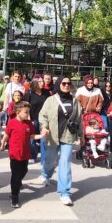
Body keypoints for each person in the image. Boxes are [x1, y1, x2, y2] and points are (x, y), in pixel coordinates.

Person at [38, 77, 82, 206]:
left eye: (69, 83)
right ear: (59, 84)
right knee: (50, 160)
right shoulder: (50, 100)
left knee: (65, 163)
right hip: (52, 135)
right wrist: (44, 126)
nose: (67, 85)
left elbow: (79, 119)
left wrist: (82, 135)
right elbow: (43, 115)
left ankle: (64, 193)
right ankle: (46, 174)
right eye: (64, 83)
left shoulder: (75, 101)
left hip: (68, 136)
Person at [0, 101, 41, 208]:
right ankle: (14, 196)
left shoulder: (28, 124)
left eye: (28, 112)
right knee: (16, 175)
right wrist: (3, 143)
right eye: (25, 112)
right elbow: (6, 135)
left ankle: (17, 184)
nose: (28, 114)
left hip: (25, 153)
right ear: (18, 112)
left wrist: (42, 136)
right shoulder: (12, 122)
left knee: (24, 170)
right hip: (14, 153)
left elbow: (32, 136)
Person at [26, 78, 49, 164]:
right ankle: (33, 155)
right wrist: (29, 119)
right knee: (32, 139)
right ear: (35, 83)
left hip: (44, 120)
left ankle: (44, 158)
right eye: (39, 81)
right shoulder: (30, 94)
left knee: (44, 138)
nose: (42, 82)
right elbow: (26, 107)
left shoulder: (46, 93)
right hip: (33, 120)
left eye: (42, 81)